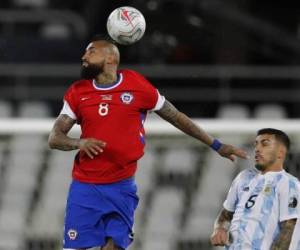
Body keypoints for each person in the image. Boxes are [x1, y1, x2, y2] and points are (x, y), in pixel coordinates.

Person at [48, 35, 247, 250]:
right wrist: (79, 143)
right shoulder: (78, 92)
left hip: (121, 187)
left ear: (110, 59)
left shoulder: (136, 85)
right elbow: (55, 138)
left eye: (91, 52)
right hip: (85, 188)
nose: (83, 56)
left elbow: (176, 116)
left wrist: (216, 145)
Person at [210, 128, 300, 250]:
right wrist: (220, 228)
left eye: (265, 144)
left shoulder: (289, 184)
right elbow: (225, 216)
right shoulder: (243, 177)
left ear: (281, 153)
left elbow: (288, 230)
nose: (257, 149)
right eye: (256, 144)